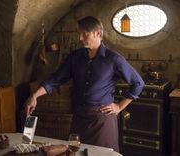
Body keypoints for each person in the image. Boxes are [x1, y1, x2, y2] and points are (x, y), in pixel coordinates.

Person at [25, 16, 145, 152]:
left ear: (98, 33)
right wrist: (34, 95)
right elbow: (55, 79)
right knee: (75, 154)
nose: (80, 38)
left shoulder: (114, 59)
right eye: (78, 33)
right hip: (79, 119)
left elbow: (138, 83)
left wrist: (119, 106)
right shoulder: (74, 57)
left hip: (101, 121)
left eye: (84, 34)